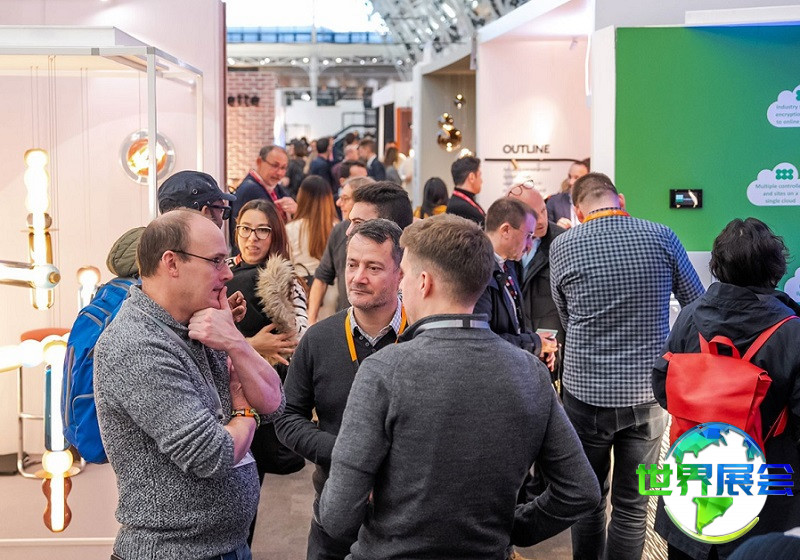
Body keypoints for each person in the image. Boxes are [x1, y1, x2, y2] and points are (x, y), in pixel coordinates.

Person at [318, 214, 600, 560]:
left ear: (424, 283)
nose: (401, 285)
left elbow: (337, 517)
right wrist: (512, 528)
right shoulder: (530, 373)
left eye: (404, 275)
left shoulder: (384, 371)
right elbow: (580, 490)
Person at [94, 209, 285, 560]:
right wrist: (244, 411)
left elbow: (274, 404)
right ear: (172, 263)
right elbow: (213, 454)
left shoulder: (198, 323)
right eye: (216, 261)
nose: (228, 273)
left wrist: (236, 342)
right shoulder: (137, 345)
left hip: (226, 546)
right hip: (172, 552)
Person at [549, 172, 704, 560]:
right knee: (633, 507)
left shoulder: (563, 245)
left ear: (578, 210)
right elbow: (696, 306)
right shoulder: (662, 236)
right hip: (647, 395)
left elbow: (565, 317)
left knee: (587, 499)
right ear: (619, 199)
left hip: (585, 393)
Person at [652, 217, 800, 560]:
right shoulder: (792, 330)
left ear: (718, 266)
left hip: (692, 485)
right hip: (765, 497)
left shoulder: (689, 316)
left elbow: (662, 386)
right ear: (774, 267)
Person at [276, 219, 407, 560]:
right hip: (333, 519)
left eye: (373, 267)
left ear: (401, 274)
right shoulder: (319, 339)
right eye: (352, 264)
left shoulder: (420, 339)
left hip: (406, 523)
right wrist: (349, 455)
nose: (357, 277)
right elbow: (288, 418)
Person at [226, 198, 309, 545]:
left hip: (258, 398)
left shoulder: (286, 280)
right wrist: (252, 345)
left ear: (275, 234)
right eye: (246, 229)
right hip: (219, 393)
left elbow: (296, 340)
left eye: (262, 230)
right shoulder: (221, 271)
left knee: (248, 482)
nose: (253, 238)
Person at [308, 179, 412, 324]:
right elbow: (322, 277)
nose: (349, 231)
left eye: (374, 268)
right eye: (352, 265)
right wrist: (311, 320)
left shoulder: (414, 321)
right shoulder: (339, 233)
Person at [476, 198, 557, 368]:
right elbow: (483, 340)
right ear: (506, 230)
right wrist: (534, 343)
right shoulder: (477, 271)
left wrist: (537, 347)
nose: (529, 245)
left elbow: (514, 326)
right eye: (528, 236)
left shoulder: (508, 265)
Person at [507, 180, 567, 383]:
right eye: (533, 215)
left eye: (543, 210)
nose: (541, 220)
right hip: (513, 350)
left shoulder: (563, 243)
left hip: (553, 353)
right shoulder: (500, 247)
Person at [286, 175, 340, 320]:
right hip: (330, 294)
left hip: (299, 292)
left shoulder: (290, 229)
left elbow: (286, 265)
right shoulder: (337, 228)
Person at [230, 145, 298, 247]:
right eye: (274, 166)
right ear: (259, 162)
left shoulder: (275, 187)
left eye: (283, 168)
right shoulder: (250, 190)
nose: (279, 173)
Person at [158, 169, 235, 229]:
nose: (222, 219)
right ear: (206, 212)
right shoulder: (213, 244)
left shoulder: (154, 242)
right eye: (221, 210)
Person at [546, 160, 589, 230]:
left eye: (576, 178)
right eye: (569, 176)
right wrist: (557, 228)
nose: (571, 182)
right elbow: (544, 232)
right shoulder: (554, 201)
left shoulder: (595, 204)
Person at [445, 154, 485, 226]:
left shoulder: (461, 201)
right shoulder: (459, 207)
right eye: (479, 175)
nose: (481, 181)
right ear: (471, 177)